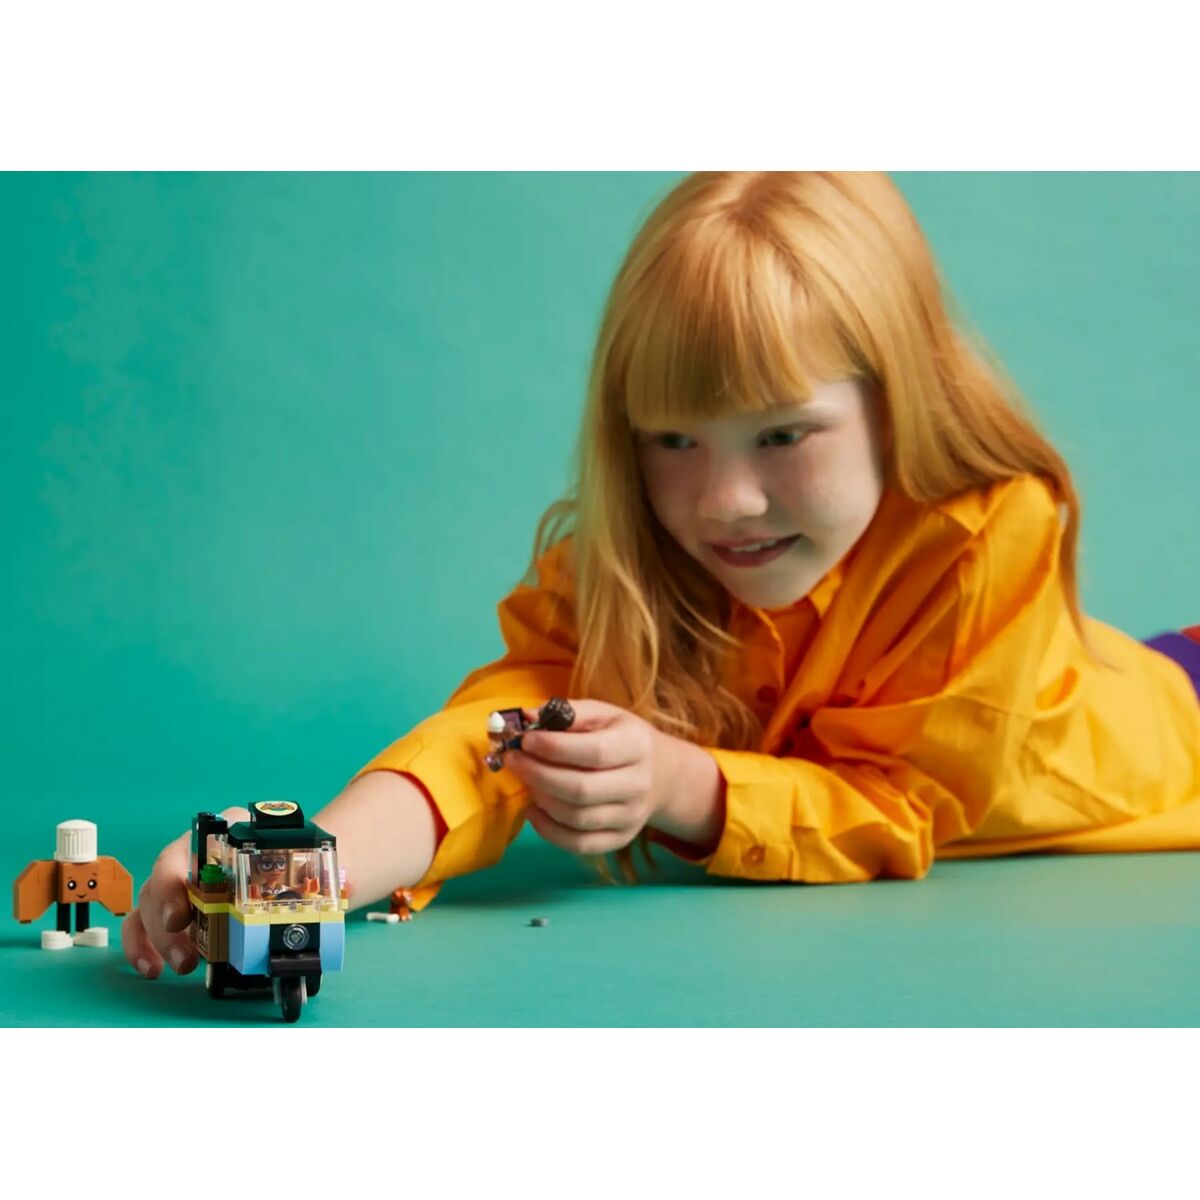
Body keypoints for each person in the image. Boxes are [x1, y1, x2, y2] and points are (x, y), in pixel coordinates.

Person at [122, 171, 1200, 981]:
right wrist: (295, 869)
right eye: (674, 439)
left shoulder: (986, 531)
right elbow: (488, 743)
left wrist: (683, 785)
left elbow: (901, 809)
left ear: (898, 401)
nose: (724, 501)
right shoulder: (631, 553)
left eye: (783, 435)